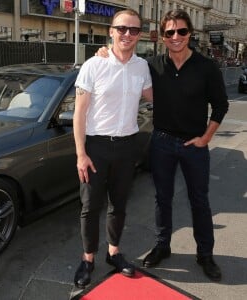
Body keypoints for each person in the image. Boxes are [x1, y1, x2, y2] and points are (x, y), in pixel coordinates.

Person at [96, 9, 229, 282]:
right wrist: (104, 52)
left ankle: (205, 255)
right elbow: (125, 62)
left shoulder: (206, 67)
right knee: (162, 199)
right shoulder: (152, 65)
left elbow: (221, 105)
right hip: (162, 142)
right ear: (163, 37)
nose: (176, 37)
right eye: (170, 32)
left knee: (199, 201)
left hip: (195, 145)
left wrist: (206, 138)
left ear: (190, 33)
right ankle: (162, 246)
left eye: (181, 31)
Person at [73, 8, 153, 289]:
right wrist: (81, 154)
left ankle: (113, 254)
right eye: (122, 28)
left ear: (140, 35)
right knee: (90, 207)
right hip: (96, 147)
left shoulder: (142, 67)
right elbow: (79, 114)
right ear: (111, 31)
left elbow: (157, 95)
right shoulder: (93, 65)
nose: (127, 34)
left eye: (133, 30)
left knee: (119, 205)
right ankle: (87, 259)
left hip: (128, 145)